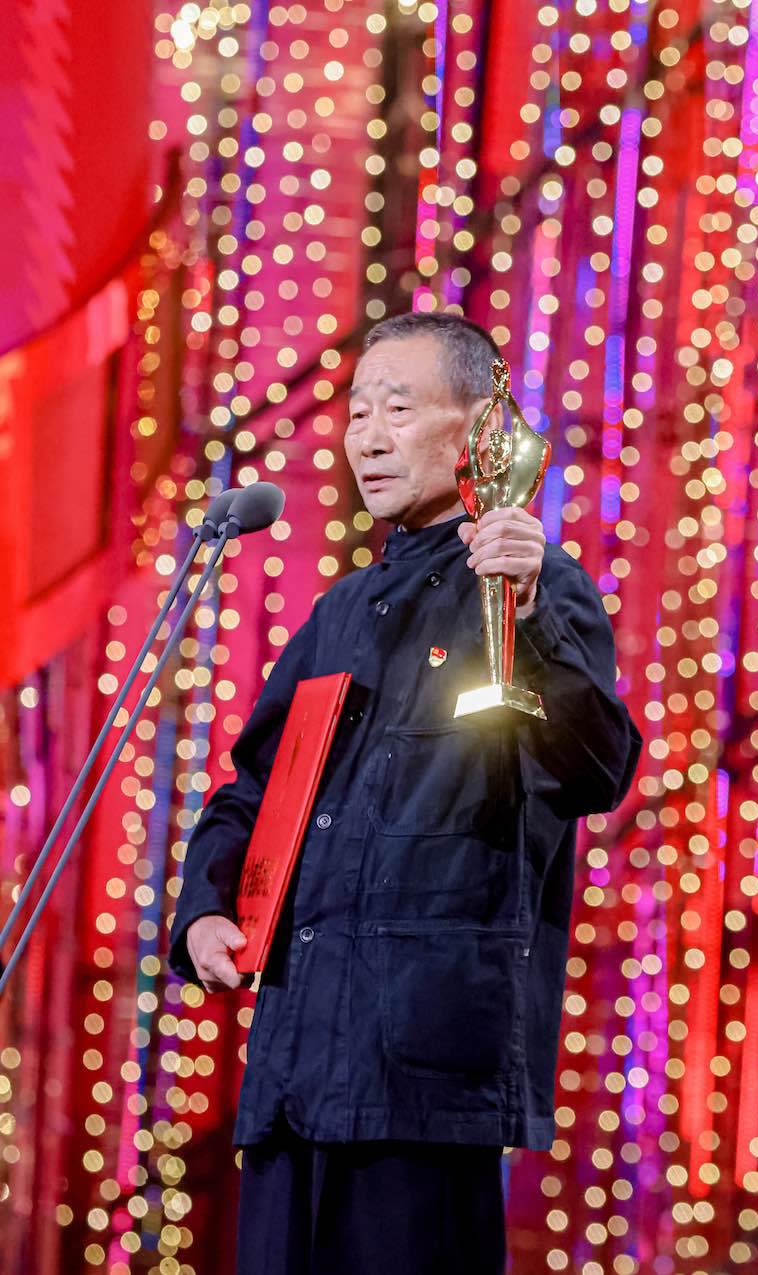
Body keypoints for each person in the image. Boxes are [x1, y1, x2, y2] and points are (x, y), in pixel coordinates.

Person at [167, 312, 643, 1274]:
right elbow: (253, 787)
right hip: (295, 1072)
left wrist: (534, 618)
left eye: (399, 408)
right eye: (357, 413)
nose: (369, 437)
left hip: (423, 1076)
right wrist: (207, 907)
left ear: (479, 429)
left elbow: (597, 768)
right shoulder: (339, 612)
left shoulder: (534, 588)